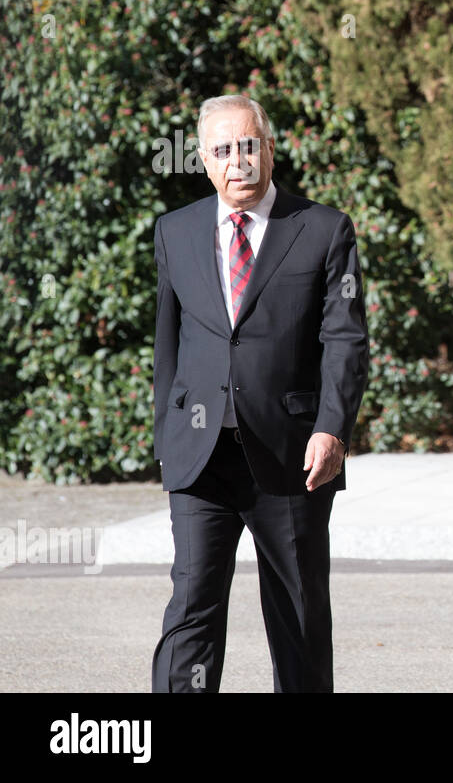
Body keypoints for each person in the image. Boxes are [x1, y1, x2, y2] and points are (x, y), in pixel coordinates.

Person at [151, 95, 368, 692]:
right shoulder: (175, 232)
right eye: (223, 150)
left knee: (297, 614)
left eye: (249, 145)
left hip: (292, 456)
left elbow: (346, 339)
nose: (237, 160)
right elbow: (167, 346)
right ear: (203, 159)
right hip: (200, 457)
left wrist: (332, 428)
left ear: (269, 149)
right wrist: (165, 440)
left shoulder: (323, 229)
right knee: (192, 605)